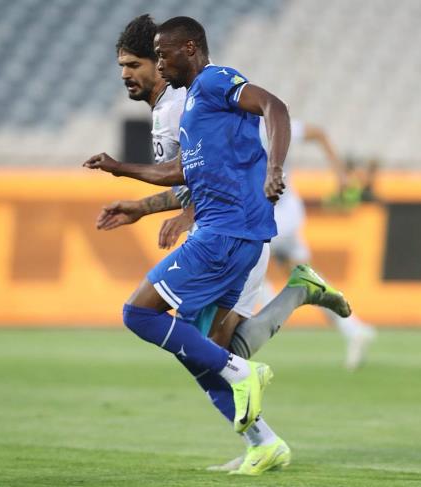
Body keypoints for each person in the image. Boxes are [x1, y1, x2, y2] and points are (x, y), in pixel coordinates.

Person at [86, 16, 351, 476]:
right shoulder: (178, 107)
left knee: (205, 348)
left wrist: (189, 213)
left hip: (229, 231)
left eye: (136, 64)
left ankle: (260, 425)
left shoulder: (187, 99)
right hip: (226, 228)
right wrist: (143, 206)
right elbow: (190, 175)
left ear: (168, 58)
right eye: (122, 66)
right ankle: (263, 441)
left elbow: (227, 153)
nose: (127, 74)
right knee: (206, 350)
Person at [254, 121, 376, 370]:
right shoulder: (269, 120)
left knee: (242, 259)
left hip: (274, 215)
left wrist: (340, 174)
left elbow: (318, 133)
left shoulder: (259, 124)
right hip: (285, 210)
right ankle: (354, 329)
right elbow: (319, 134)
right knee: (305, 278)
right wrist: (340, 174)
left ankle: (267, 313)